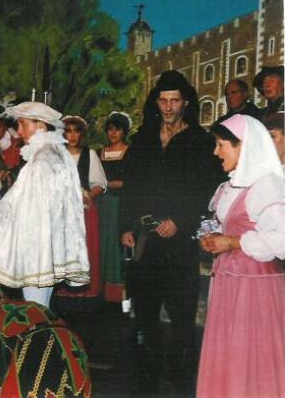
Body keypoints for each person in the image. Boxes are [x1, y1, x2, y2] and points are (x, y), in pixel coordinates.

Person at [120, 70, 224, 393]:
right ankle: (146, 380)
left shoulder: (201, 142)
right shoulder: (144, 140)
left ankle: (182, 382)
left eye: (174, 101)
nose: (168, 107)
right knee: (145, 314)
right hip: (147, 240)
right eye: (163, 101)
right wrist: (127, 225)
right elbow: (131, 187)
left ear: (186, 102)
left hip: (180, 242)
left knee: (182, 316)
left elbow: (208, 191)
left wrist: (181, 220)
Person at [0, 102, 90, 308]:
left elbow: (19, 205)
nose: (19, 131)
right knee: (40, 306)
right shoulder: (57, 152)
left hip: (36, 248)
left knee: (35, 308)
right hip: (49, 243)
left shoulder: (42, 160)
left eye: (23, 124)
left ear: (41, 125)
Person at [197, 114, 285, 397]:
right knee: (229, 354)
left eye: (222, 145)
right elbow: (228, 224)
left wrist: (232, 242)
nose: (216, 152)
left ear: (243, 146)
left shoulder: (267, 185)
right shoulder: (229, 185)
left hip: (255, 288)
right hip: (228, 282)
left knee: (251, 358)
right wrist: (213, 237)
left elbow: (281, 239)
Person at [58, 115, 107, 306]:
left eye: (76, 131)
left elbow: (99, 184)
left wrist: (85, 196)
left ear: (82, 134)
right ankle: (63, 291)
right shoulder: (57, 155)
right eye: (68, 131)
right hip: (61, 211)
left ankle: (87, 291)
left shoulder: (90, 154)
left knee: (85, 248)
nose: (72, 135)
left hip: (84, 210)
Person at [98, 111, 131, 303]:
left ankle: (119, 296)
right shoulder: (99, 153)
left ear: (124, 131)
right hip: (101, 205)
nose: (113, 133)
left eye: (117, 129)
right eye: (110, 129)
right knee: (101, 243)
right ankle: (100, 292)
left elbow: (132, 182)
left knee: (116, 246)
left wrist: (109, 184)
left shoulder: (130, 152)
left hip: (120, 205)